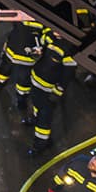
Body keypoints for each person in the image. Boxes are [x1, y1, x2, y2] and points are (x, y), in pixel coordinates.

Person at [25, 27, 75, 155]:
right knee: (36, 105)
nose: (56, 31)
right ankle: (35, 119)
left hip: (49, 89)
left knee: (45, 117)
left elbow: (68, 74)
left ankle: (41, 144)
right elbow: (39, 47)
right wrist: (35, 51)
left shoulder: (69, 48)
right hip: (36, 80)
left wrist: (58, 91)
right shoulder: (48, 36)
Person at [0, 21, 44, 94]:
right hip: (12, 50)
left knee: (23, 78)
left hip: (27, 58)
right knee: (4, 68)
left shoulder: (42, 21)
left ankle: (22, 96)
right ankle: (0, 83)